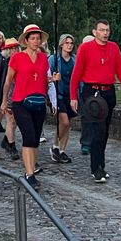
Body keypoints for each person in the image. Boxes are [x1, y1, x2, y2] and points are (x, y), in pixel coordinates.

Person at [70, 19, 121, 183]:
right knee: (97, 130)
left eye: (107, 30)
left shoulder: (113, 48)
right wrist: (73, 96)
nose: (105, 33)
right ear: (95, 32)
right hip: (92, 93)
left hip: (108, 92)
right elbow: (77, 73)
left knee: (105, 131)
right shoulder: (85, 48)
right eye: (102, 30)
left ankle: (101, 165)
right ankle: (96, 168)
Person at [2, 24, 50, 189]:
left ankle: (32, 167)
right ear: (26, 41)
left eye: (38, 39)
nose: (36, 42)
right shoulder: (17, 58)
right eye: (33, 39)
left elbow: (42, 79)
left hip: (39, 101)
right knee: (28, 137)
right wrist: (3, 101)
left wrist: (51, 81)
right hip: (21, 102)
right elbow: (8, 81)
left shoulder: (44, 58)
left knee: (35, 139)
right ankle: (29, 174)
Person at [0, 37, 20, 160]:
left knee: (14, 122)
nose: (15, 50)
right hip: (5, 96)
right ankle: (12, 146)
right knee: (11, 121)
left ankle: (6, 141)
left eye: (16, 47)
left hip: (17, 96)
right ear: (7, 50)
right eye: (12, 48)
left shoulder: (20, 61)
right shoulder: (1, 62)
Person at [49, 34, 76, 164]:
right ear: (61, 44)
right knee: (63, 122)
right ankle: (55, 145)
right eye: (67, 43)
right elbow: (48, 76)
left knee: (68, 124)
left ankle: (62, 150)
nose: (69, 45)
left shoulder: (74, 60)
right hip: (58, 94)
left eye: (71, 43)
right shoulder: (54, 60)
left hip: (70, 95)